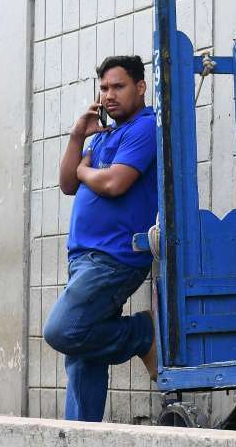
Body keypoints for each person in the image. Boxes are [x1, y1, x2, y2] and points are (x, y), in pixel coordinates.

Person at [43, 54, 159, 422]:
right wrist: (79, 135)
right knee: (83, 355)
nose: (109, 95)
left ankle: (143, 334)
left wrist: (84, 170)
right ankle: (82, 435)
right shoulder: (106, 135)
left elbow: (113, 183)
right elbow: (66, 184)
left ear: (140, 87)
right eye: (104, 88)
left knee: (63, 330)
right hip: (84, 258)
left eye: (119, 86)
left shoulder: (145, 127)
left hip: (114, 257)